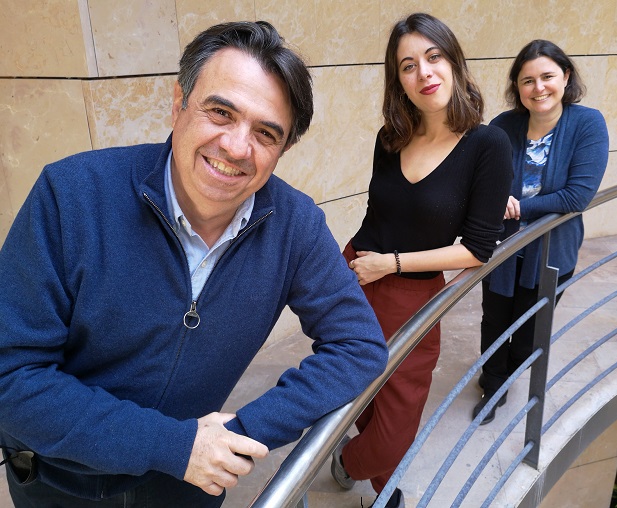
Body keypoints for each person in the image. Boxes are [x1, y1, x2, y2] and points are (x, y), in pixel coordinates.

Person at [0, 20, 388, 508]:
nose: (235, 146)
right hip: (62, 484)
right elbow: (11, 375)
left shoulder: (296, 226)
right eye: (220, 112)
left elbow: (359, 345)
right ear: (178, 104)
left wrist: (240, 435)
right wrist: (174, 445)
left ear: (283, 149)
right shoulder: (71, 196)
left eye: (266, 133)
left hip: (190, 491)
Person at [329, 13, 513, 508]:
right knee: (360, 389)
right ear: (399, 81)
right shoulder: (390, 138)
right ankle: (383, 489)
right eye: (407, 66)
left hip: (407, 285)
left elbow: (477, 250)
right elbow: (375, 215)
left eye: (433, 57)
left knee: (398, 418)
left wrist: (388, 264)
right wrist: (352, 270)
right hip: (354, 275)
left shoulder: (488, 145)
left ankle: (349, 463)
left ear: (453, 62)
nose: (423, 72)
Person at [473, 39, 609, 424]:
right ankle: (492, 384)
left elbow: (578, 195)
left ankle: (510, 376)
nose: (539, 88)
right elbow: (481, 179)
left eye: (547, 76)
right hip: (501, 248)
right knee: (495, 319)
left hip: (551, 253)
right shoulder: (503, 126)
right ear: (518, 87)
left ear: (565, 77)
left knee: (531, 327)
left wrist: (518, 206)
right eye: (527, 80)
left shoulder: (587, 124)